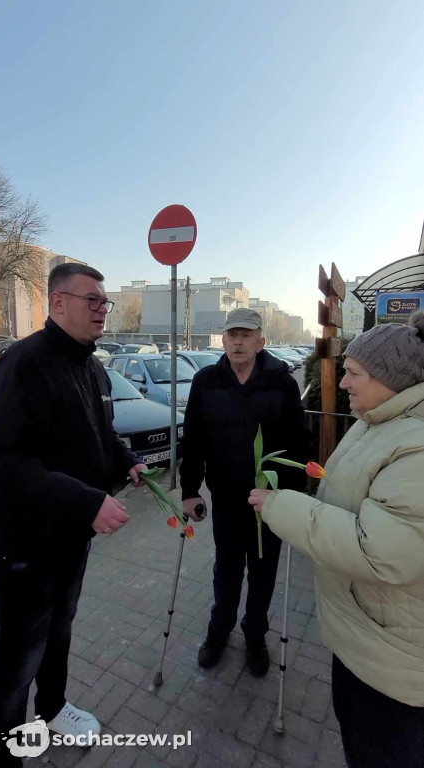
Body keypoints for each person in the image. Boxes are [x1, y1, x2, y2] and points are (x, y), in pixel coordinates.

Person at [249, 313, 424, 768]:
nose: (344, 382)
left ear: (390, 379)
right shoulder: (377, 420)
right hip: (363, 640)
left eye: (354, 372)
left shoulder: (416, 443)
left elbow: (378, 551)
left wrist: (282, 506)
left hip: (395, 670)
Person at [0, 263, 147, 766]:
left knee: (60, 629)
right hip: (26, 541)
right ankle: (8, 742)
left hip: (71, 539)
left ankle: (54, 708)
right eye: (93, 300)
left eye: (106, 302)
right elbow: (7, 463)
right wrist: (87, 501)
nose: (104, 309)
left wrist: (129, 462)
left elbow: (102, 437)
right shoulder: (23, 364)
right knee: (21, 651)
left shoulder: (94, 367)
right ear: (58, 303)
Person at [180, 308, 311, 675]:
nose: (238, 341)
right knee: (226, 570)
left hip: (269, 502)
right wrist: (190, 490)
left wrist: (287, 493)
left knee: (264, 572)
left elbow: (300, 444)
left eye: (246, 334)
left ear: (260, 341)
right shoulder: (206, 381)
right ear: (223, 339)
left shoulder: (282, 383)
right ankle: (218, 631)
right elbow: (193, 441)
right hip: (225, 499)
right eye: (231, 334)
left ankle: (255, 635)